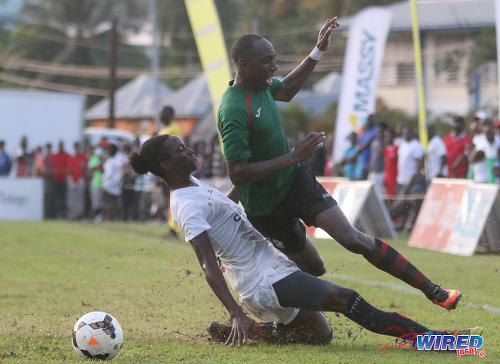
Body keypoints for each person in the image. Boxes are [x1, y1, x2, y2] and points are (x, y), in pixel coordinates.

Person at [130, 135, 466, 348]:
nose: (189, 149)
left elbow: (229, 206)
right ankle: (438, 341)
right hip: (262, 280)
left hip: (270, 269)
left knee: (321, 336)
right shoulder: (184, 205)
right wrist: (234, 311)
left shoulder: (192, 184)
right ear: (167, 164)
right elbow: (206, 263)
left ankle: (262, 332)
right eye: (181, 149)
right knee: (347, 299)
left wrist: (253, 178)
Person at [217, 21, 460, 309]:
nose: (273, 67)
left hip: (296, 183)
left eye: (274, 59)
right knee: (315, 268)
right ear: (243, 64)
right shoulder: (232, 109)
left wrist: (318, 51)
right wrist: (293, 156)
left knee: (353, 239)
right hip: (265, 209)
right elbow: (238, 172)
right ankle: (283, 320)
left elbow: (290, 88)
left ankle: (434, 291)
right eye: (267, 61)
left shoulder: (264, 87)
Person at [102, 144, 124, 221]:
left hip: (114, 184)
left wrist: (115, 181)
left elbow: (120, 172)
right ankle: (107, 217)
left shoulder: (119, 159)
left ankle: (114, 217)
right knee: (107, 202)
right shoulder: (109, 160)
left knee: (114, 203)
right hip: (107, 184)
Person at [50, 141, 70, 219]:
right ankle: (56, 214)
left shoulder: (66, 155)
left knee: (63, 198)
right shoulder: (54, 156)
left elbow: (69, 166)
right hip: (56, 180)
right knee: (56, 198)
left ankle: (63, 214)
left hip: (63, 180)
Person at [367, 123, 387, 197]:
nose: (379, 133)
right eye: (378, 131)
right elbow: (373, 157)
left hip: (381, 173)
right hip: (372, 173)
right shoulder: (374, 142)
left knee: (381, 195)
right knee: (371, 194)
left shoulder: (386, 143)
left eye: (380, 131)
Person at [383, 128, 398, 197]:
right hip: (387, 177)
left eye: (389, 136)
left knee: (394, 196)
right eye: (386, 136)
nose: (388, 138)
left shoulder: (397, 148)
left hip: (395, 177)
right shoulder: (385, 149)